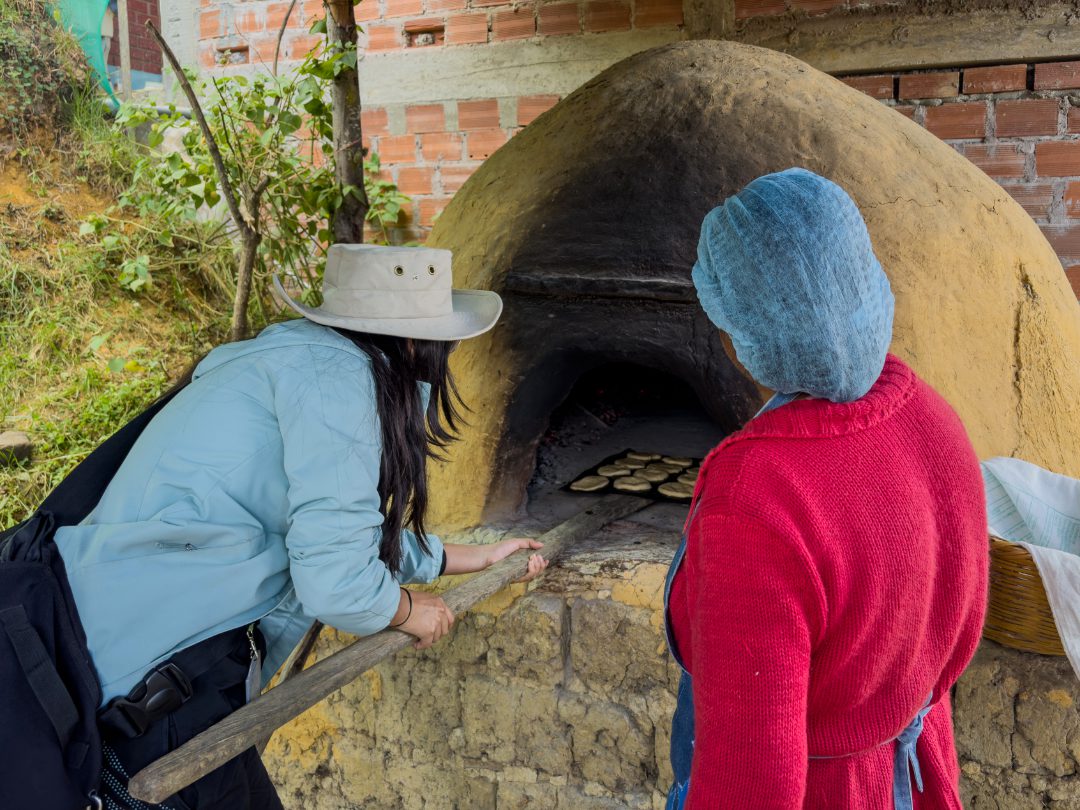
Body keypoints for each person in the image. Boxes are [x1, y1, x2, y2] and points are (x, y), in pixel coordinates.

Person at [53, 244, 548, 809]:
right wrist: (410, 610)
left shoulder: (296, 359)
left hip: (125, 654)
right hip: (155, 682)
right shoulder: (335, 384)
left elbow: (331, 534)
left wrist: (470, 557)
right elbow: (337, 582)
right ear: (416, 339)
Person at [664, 168, 988, 809]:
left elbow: (750, 790)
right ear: (862, 282)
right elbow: (960, 632)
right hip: (909, 772)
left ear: (738, 339)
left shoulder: (754, 500)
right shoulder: (933, 419)